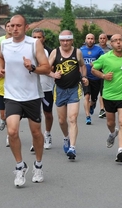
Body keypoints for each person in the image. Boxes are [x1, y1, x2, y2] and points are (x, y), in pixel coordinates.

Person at [0, 14, 51, 187]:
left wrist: (32, 67)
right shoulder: (4, 43)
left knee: (36, 133)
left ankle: (38, 164)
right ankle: (20, 166)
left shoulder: (34, 44)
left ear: (26, 27)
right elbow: (0, 57)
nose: (14, 29)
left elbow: (46, 67)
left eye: (18, 26)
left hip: (32, 96)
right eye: (12, 26)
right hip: (12, 96)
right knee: (12, 132)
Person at [91, 34, 122, 162]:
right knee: (110, 123)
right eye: (115, 41)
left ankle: (120, 150)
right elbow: (94, 69)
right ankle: (112, 133)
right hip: (109, 95)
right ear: (111, 44)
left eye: (120, 40)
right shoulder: (105, 57)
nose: (118, 43)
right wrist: (104, 76)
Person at [47, 30, 89, 160]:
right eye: (63, 40)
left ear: (72, 40)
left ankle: (72, 147)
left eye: (68, 40)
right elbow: (46, 68)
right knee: (61, 120)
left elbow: (82, 66)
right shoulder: (55, 52)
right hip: (59, 89)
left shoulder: (77, 52)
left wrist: (84, 77)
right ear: (60, 41)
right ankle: (66, 137)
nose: (65, 43)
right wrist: (53, 74)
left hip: (74, 89)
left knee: (72, 118)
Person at [30, 28, 55, 151]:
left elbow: (51, 69)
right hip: (32, 88)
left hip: (46, 87)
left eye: (39, 37)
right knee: (35, 115)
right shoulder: (28, 51)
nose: (36, 40)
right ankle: (36, 139)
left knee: (48, 113)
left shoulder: (50, 52)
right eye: (34, 37)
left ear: (43, 39)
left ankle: (47, 134)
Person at [80, 33, 104, 125]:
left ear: (94, 40)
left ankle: (92, 104)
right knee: (86, 96)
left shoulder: (99, 50)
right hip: (85, 77)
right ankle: (88, 117)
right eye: (88, 38)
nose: (90, 40)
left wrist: (96, 63)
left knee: (93, 98)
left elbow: (103, 61)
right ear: (85, 39)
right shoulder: (81, 50)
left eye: (91, 38)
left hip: (96, 78)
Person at [96, 33, 112, 119]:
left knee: (102, 91)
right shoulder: (95, 48)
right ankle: (93, 102)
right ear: (98, 40)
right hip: (94, 72)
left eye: (104, 38)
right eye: (101, 38)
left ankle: (102, 109)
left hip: (105, 72)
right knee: (93, 94)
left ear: (106, 40)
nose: (102, 40)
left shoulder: (110, 49)